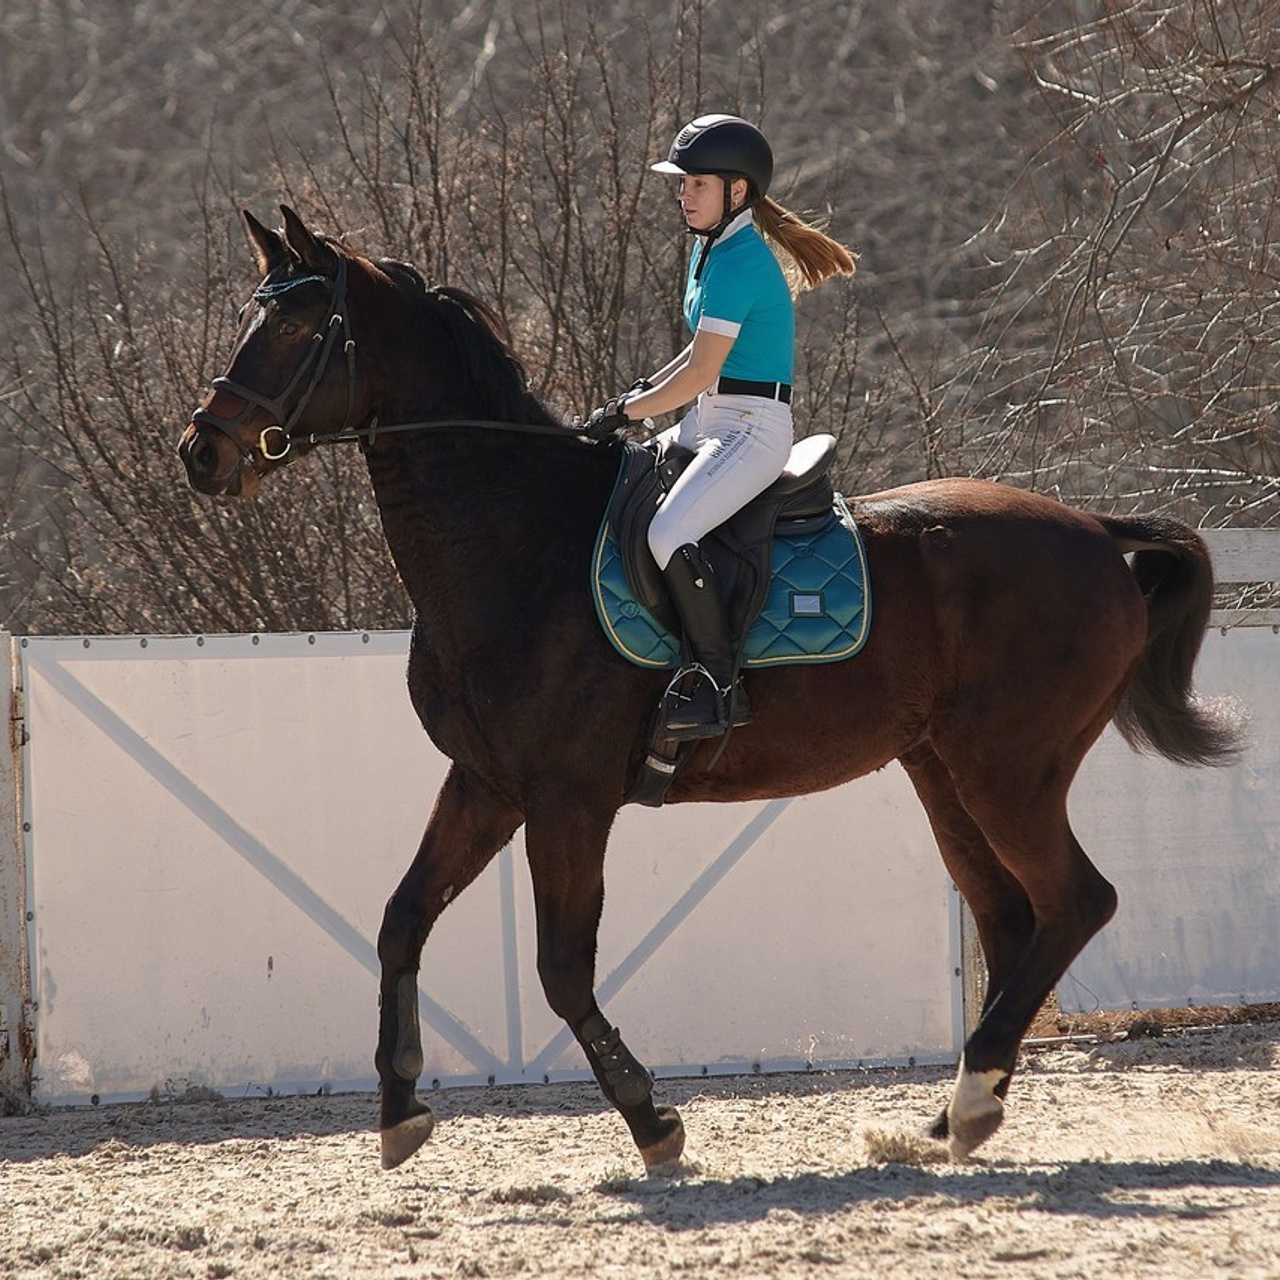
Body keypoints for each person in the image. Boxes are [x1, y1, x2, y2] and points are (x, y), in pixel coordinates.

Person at [587, 113, 857, 740]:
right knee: (621, 479)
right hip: (710, 417)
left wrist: (631, 412)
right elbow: (696, 356)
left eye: (698, 184)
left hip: (752, 430)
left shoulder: (741, 263)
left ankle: (716, 681)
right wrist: (632, 398)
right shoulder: (709, 249)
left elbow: (702, 370)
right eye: (682, 183)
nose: (684, 194)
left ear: (737, 192)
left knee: (669, 531)